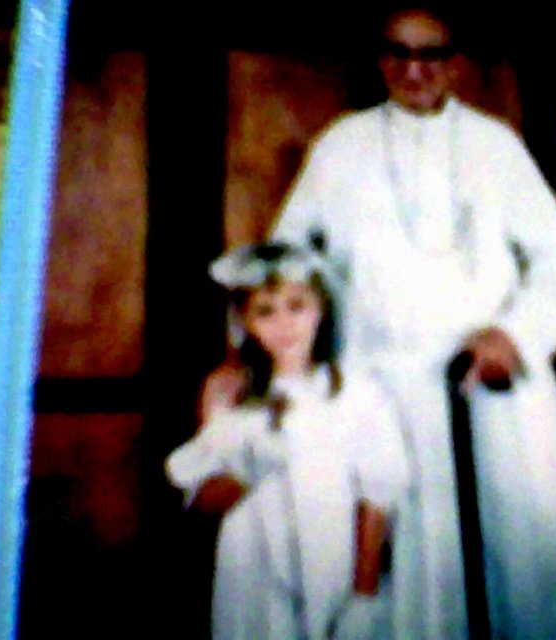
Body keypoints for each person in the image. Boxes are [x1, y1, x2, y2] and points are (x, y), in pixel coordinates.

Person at [264, 5, 556, 639]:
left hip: (491, 389)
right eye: (399, 53)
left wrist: (515, 335)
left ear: (454, 65)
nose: (414, 70)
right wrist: (260, 361)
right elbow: (282, 267)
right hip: (381, 397)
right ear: (380, 61)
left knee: (518, 571)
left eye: (431, 55)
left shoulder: (495, 146)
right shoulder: (341, 146)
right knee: (402, 588)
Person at [167, 242, 409, 639]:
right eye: (265, 311)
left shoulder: (356, 392)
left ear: (320, 309)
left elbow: (377, 496)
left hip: (330, 555)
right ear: (245, 321)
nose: (284, 323)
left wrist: (364, 595)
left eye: (297, 306)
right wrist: (250, 468)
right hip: (253, 566)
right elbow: (205, 501)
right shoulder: (231, 393)